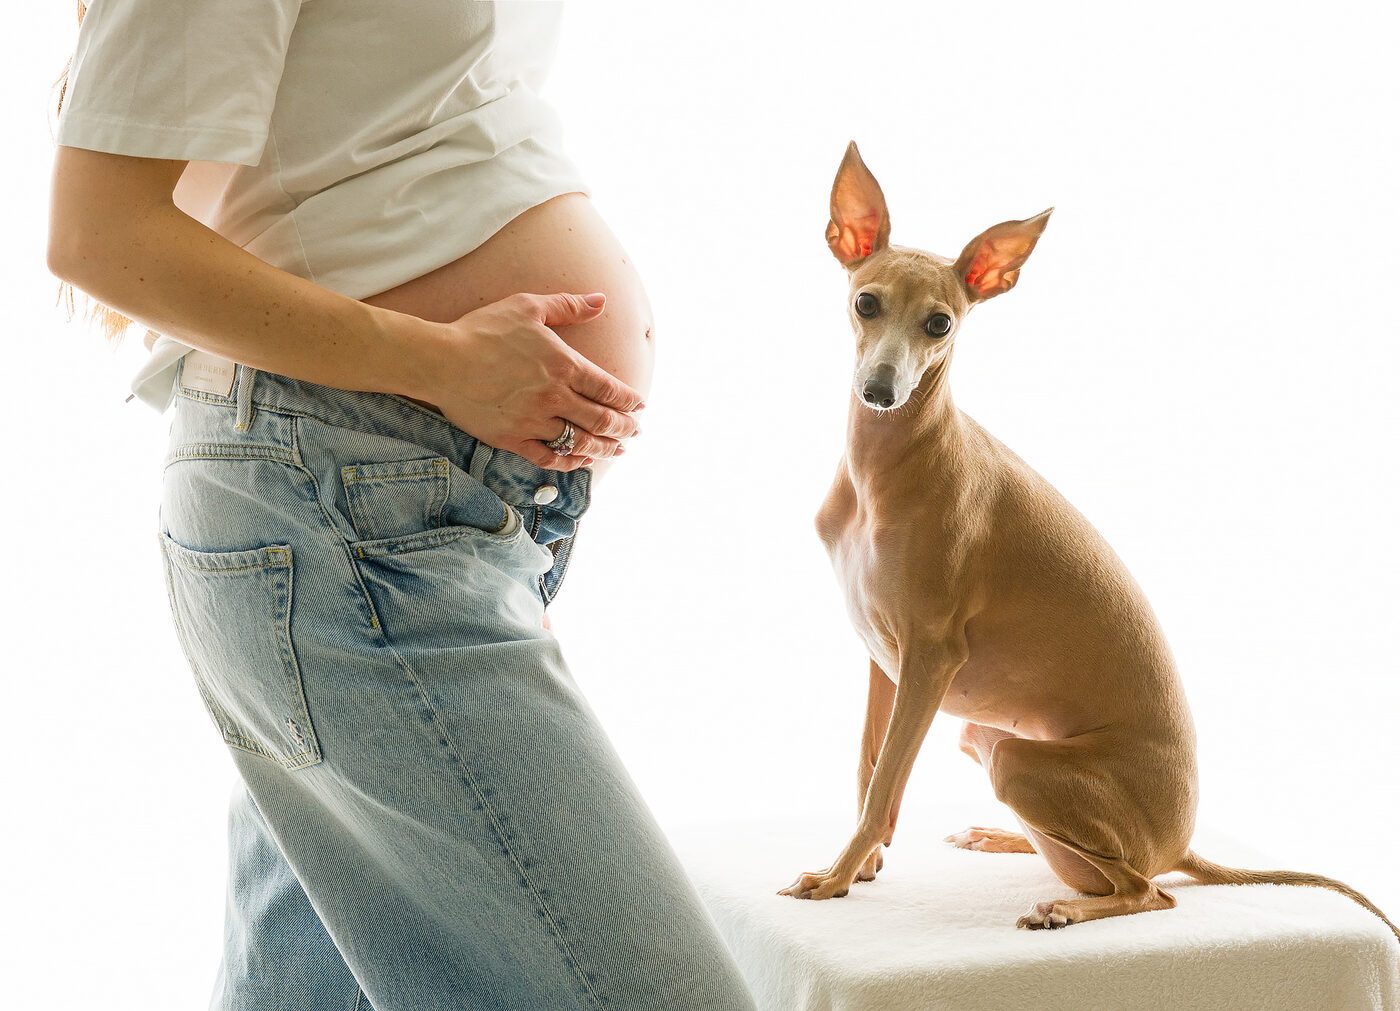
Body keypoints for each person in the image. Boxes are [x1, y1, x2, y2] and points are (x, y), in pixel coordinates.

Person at [47, 2, 756, 1009]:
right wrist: (442, 366)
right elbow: (98, 235)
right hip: (339, 505)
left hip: (417, 513)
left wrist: (500, 529)